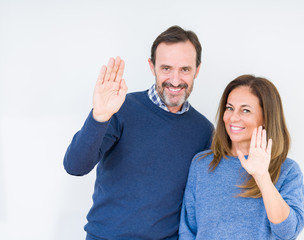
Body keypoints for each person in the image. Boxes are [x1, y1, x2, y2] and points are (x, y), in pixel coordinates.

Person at [63, 26, 213, 240]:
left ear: (197, 70)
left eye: (185, 69)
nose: (176, 80)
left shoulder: (203, 130)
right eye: (166, 68)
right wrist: (99, 117)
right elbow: (75, 166)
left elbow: (200, 203)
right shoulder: (121, 108)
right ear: (152, 67)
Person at [179, 75, 304, 239]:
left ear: (266, 118)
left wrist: (262, 177)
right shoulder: (202, 164)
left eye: (246, 110)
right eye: (229, 108)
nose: (233, 118)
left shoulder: (288, 171)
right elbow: (188, 230)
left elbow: (288, 232)